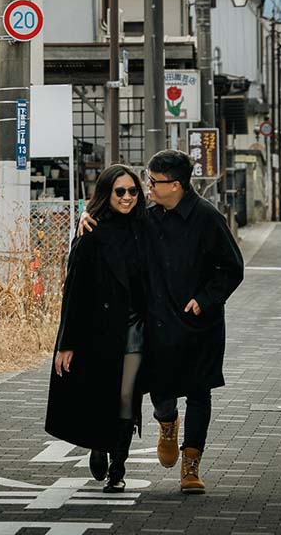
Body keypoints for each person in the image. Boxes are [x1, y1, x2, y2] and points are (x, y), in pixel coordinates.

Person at [80, 149, 244, 495]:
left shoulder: (208, 219)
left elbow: (232, 268)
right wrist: (86, 219)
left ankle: (191, 465)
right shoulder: (147, 218)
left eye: (154, 182)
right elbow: (114, 227)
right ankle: (167, 423)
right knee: (161, 391)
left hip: (199, 325)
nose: (148, 187)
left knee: (199, 392)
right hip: (157, 325)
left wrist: (205, 300)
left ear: (176, 185)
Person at [45, 164, 146, 493]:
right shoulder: (91, 232)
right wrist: (66, 342)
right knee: (101, 394)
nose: (127, 197)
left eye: (133, 191)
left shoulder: (147, 228)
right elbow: (74, 291)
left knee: (127, 396)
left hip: (136, 328)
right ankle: (99, 444)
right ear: (107, 193)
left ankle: (118, 468)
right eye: (120, 191)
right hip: (98, 330)